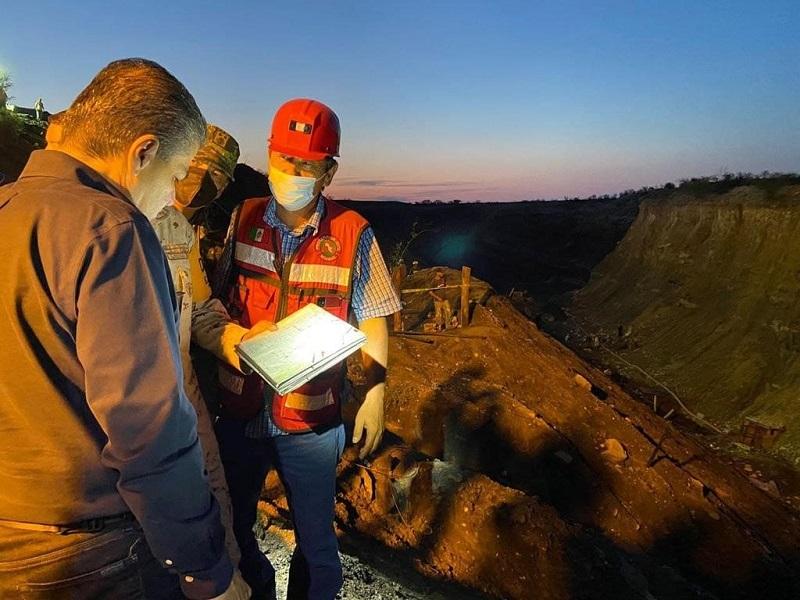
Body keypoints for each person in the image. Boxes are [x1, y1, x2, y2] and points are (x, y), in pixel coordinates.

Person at [0, 58, 248, 599]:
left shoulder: (8, 210)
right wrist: (206, 571)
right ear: (144, 152)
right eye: (179, 172)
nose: (176, 193)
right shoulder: (113, 228)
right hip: (90, 552)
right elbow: (147, 430)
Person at [212, 98, 402, 599]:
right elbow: (218, 299)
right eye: (283, 160)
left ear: (328, 172)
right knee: (233, 527)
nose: (291, 172)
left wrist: (376, 393)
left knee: (317, 543)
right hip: (240, 410)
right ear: (270, 155)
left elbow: (375, 314)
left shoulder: (352, 232)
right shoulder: (244, 217)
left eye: (306, 165)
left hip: (311, 420)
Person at [149, 124, 245, 571]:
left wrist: (239, 341)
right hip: (126, 401)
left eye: (218, 179)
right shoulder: (114, 220)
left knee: (213, 504)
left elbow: (201, 308)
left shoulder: (179, 231)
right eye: (196, 170)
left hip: (183, 386)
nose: (202, 184)